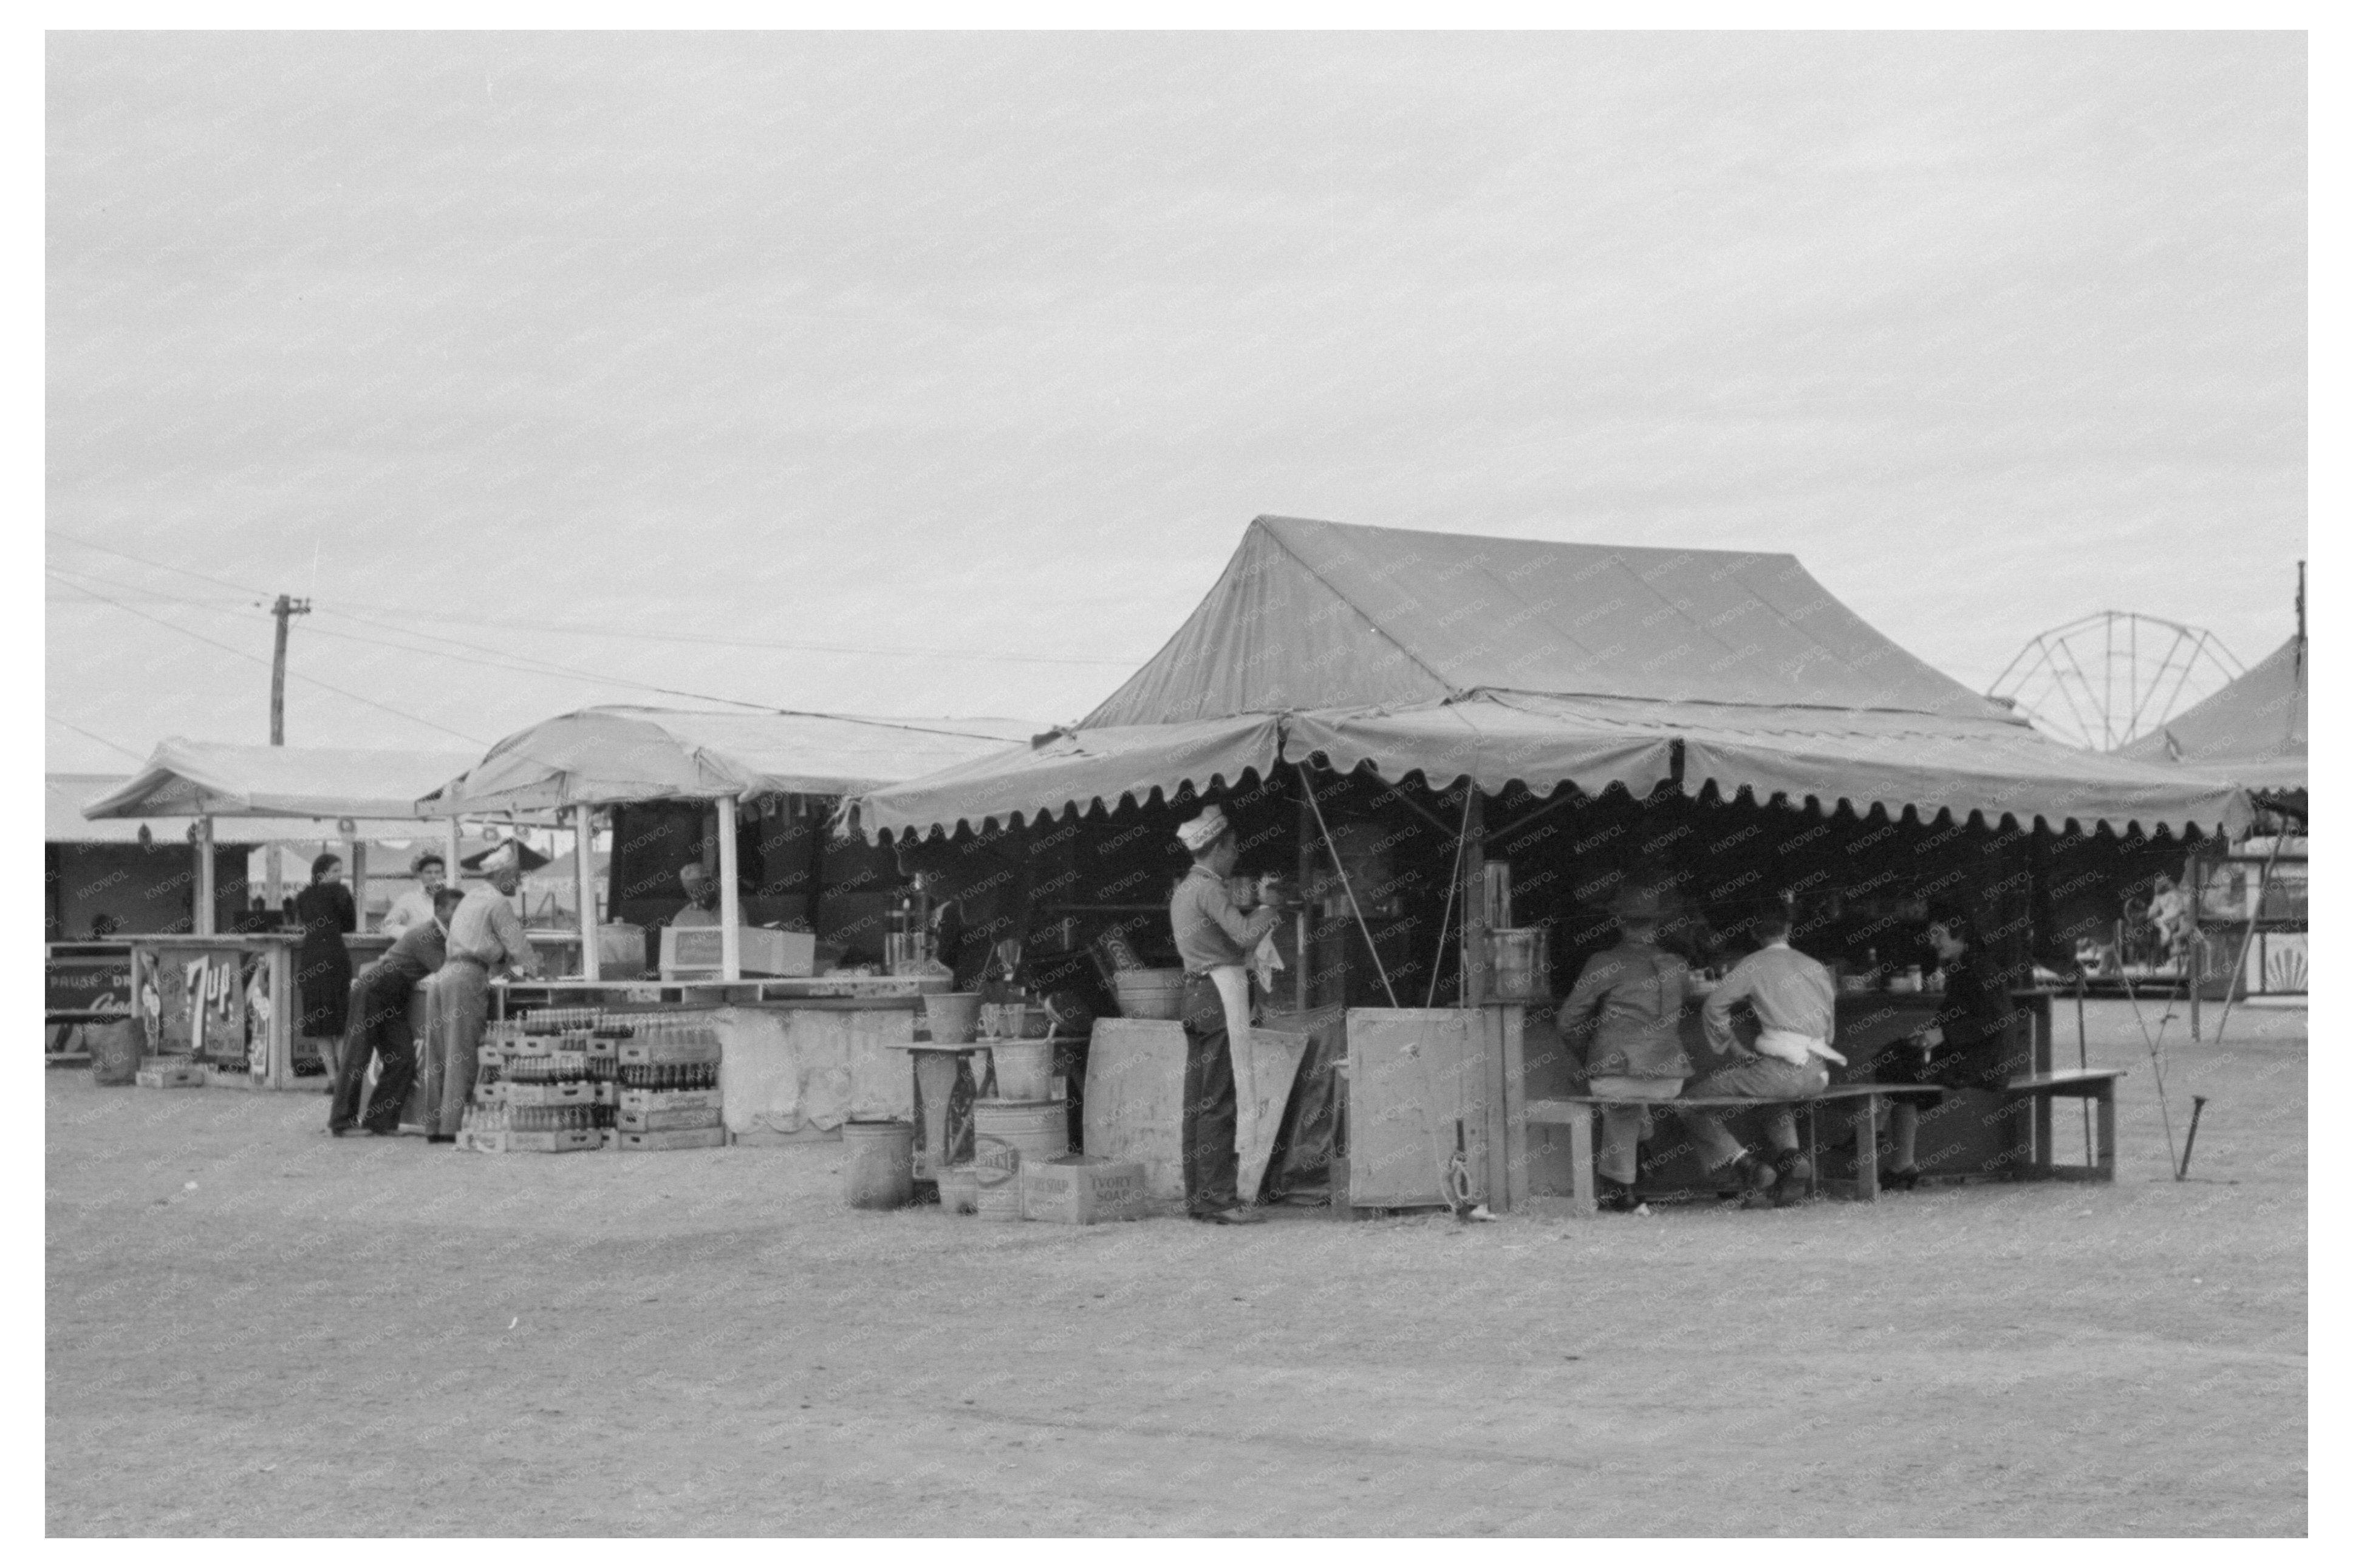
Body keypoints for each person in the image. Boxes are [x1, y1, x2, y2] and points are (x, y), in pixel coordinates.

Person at [1672, 901, 1846, 1209]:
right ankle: (1792, 1160)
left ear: (1753, 933)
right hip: (1819, 1073)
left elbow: (1713, 1007)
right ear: (1789, 929)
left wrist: (1733, 1047)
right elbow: (1829, 1030)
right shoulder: (1816, 967)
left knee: (1688, 1105)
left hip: (1777, 1074)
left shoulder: (1752, 964)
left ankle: (1748, 1166)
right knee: (1772, 1103)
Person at [1556, 883, 1711, 1213]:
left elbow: (1568, 1021)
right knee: (1628, 1095)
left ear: (1619, 922)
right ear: (1657, 924)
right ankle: (1638, 1158)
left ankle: (1622, 1187)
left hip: (1620, 1074)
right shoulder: (1678, 965)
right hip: (1670, 1079)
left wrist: (1590, 1059)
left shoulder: (1603, 962)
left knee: (1619, 1095)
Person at [1169, 805, 1285, 1225]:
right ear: (1217, 848)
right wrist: (1268, 907)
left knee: (1197, 1102)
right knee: (1219, 1099)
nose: (1237, 855)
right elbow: (1244, 936)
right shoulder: (1210, 889)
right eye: (1233, 847)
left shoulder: (1185, 890)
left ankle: (1199, 1197)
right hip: (1218, 994)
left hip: (1193, 994)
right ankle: (1218, 1199)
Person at [1873, 908, 2019, 1190]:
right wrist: (1926, 1034)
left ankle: (1885, 1144)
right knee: (1897, 1056)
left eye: (1938, 934)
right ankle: (1896, 1157)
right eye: (1931, 934)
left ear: (1961, 935)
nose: (1932, 941)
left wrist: (1943, 1033)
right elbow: (1953, 1015)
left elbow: (1998, 1021)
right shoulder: (1963, 967)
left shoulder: (1981, 968)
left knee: (1902, 1066)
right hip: (1971, 1052)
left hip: (1988, 1061)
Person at [420, 843, 542, 1144]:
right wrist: (535, 971)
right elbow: (517, 945)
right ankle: (453, 1127)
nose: (518, 883)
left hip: (443, 975)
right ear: (501, 876)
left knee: (438, 1055)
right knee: (462, 1053)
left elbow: (482, 941)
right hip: (466, 978)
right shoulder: (498, 902)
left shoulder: (471, 898)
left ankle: (434, 1127)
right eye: (515, 876)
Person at [329, 887, 463, 1137]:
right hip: (375, 989)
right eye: (455, 909)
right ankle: (341, 1122)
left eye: (462, 910)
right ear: (439, 910)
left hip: (393, 994)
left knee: (403, 1059)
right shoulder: (426, 935)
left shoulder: (443, 936)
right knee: (357, 1056)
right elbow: (446, 970)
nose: (460, 914)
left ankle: (379, 1122)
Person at [292, 852, 357, 1082]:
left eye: (340, 871)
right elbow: (350, 925)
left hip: (311, 958)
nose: (339, 875)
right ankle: (344, 1079)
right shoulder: (341, 892)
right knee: (340, 1022)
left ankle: (332, 1077)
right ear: (322, 873)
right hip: (335, 957)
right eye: (335, 871)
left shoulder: (303, 896)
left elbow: (302, 921)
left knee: (319, 1025)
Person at [379, 850, 448, 938]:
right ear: (419, 874)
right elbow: (387, 927)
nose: (433, 876)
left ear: (443, 874)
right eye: (428, 872)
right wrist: (414, 935)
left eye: (437, 872)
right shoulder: (409, 900)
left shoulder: (451, 898)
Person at [671, 862, 723, 927]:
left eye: (700, 889)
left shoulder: (731, 908)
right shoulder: (682, 919)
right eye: (691, 892)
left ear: (711, 885)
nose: (696, 895)